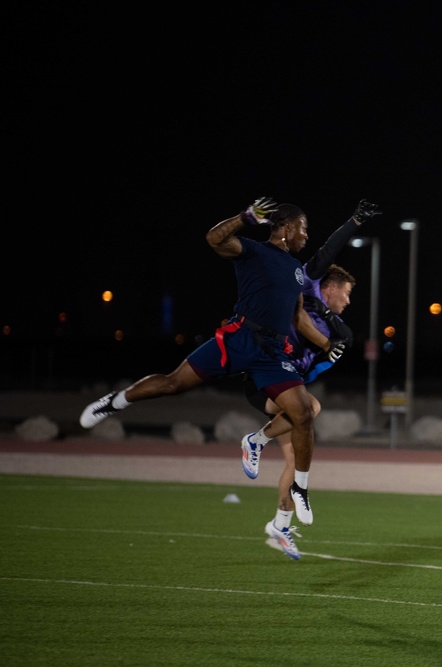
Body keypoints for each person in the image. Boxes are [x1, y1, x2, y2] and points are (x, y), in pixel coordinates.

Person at [80, 197, 382, 537]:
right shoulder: (254, 251)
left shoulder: (296, 270)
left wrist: (328, 345)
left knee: (305, 412)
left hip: (271, 354)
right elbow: (214, 239)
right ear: (284, 228)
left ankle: (300, 488)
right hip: (239, 338)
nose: (306, 236)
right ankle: (116, 402)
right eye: (303, 229)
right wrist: (246, 217)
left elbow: (297, 316)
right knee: (172, 384)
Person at [240, 204, 371, 560]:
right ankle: (254, 440)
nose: (347, 300)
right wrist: (354, 220)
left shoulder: (339, 332)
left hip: (288, 384)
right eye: (345, 293)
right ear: (328, 288)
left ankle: (280, 526)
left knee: (295, 454)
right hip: (265, 372)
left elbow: (327, 357)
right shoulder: (309, 284)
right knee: (311, 407)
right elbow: (329, 250)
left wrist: (328, 348)